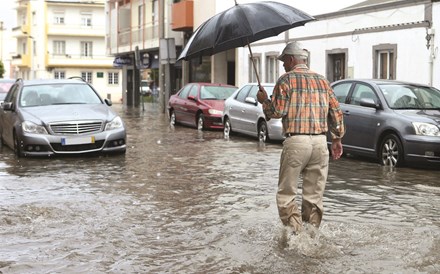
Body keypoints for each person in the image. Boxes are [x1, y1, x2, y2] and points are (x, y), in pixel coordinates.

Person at [256, 41, 345, 234]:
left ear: (290, 60)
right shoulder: (322, 80)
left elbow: (278, 111)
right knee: (314, 197)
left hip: (297, 142)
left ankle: (296, 236)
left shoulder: (286, 79)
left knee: (286, 194)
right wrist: (337, 139)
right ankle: (312, 236)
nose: (282, 65)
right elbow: (336, 111)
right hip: (321, 143)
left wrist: (265, 101)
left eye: (283, 62)